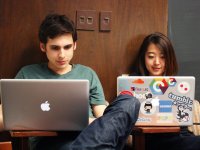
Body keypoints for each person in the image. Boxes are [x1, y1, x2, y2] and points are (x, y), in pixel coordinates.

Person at [14, 13, 140, 150]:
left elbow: (103, 118)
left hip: (88, 134)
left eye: (67, 47)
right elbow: (5, 117)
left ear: (74, 45)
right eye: (55, 48)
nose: (62, 55)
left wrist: (87, 123)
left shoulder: (88, 74)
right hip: (49, 141)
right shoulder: (27, 74)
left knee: (129, 102)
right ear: (43, 47)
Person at [133, 32, 200, 150]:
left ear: (169, 58)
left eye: (163, 57)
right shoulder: (134, 83)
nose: (157, 62)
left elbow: (183, 124)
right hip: (151, 139)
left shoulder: (175, 84)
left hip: (180, 136)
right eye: (151, 56)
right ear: (143, 58)